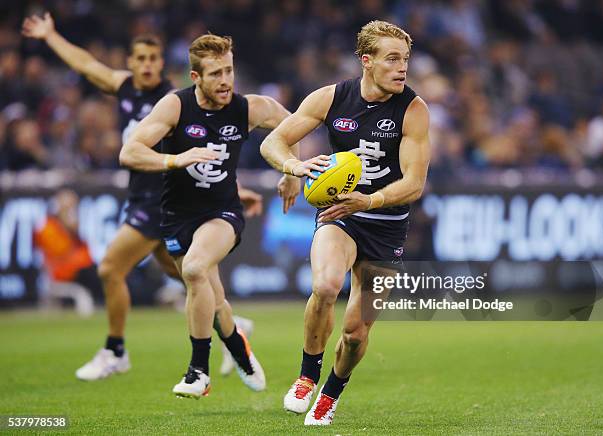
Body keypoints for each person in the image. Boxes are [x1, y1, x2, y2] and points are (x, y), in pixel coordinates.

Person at [21, 13, 261, 382]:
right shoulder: (126, 89)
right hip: (145, 196)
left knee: (111, 268)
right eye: (141, 59)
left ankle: (115, 350)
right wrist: (51, 36)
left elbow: (211, 147)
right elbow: (87, 65)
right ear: (130, 64)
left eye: (154, 59)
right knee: (190, 278)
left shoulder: (176, 100)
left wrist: (237, 187)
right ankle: (230, 326)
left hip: (159, 199)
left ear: (163, 64)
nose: (148, 66)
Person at [260, 20, 431, 425]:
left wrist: (369, 199)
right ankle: (306, 376)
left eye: (405, 59)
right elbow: (273, 141)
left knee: (355, 333)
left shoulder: (414, 110)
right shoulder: (331, 98)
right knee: (323, 286)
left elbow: (415, 183)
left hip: (387, 223)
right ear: (366, 61)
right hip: (340, 216)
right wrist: (294, 165)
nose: (401, 67)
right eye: (392, 59)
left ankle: (331, 392)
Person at [119, 33, 300, 397]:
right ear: (195, 77)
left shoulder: (250, 107)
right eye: (216, 73)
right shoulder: (175, 107)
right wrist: (175, 159)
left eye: (229, 71)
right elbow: (130, 152)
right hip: (175, 216)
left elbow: (295, 125)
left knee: (195, 268)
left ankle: (197, 373)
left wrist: (290, 171)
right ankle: (239, 347)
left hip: (222, 212)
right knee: (214, 302)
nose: (226, 81)